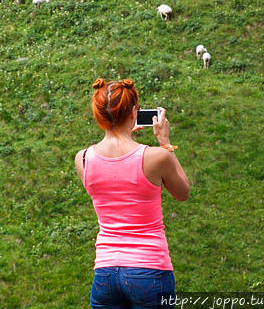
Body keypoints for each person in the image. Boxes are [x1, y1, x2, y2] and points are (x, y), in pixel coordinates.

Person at [75, 78, 190, 309]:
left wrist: (124, 134)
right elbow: (183, 192)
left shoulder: (83, 158)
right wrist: (165, 142)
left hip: (105, 272)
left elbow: (115, 179)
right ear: (135, 112)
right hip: (149, 268)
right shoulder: (157, 156)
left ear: (99, 115)